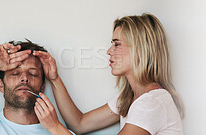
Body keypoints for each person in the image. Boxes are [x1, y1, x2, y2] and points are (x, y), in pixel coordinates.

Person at [33, 13, 184, 135]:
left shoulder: (151, 103)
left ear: (140, 49)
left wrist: (54, 127)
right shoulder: (128, 98)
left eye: (117, 44)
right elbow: (79, 123)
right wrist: (55, 78)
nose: (109, 51)